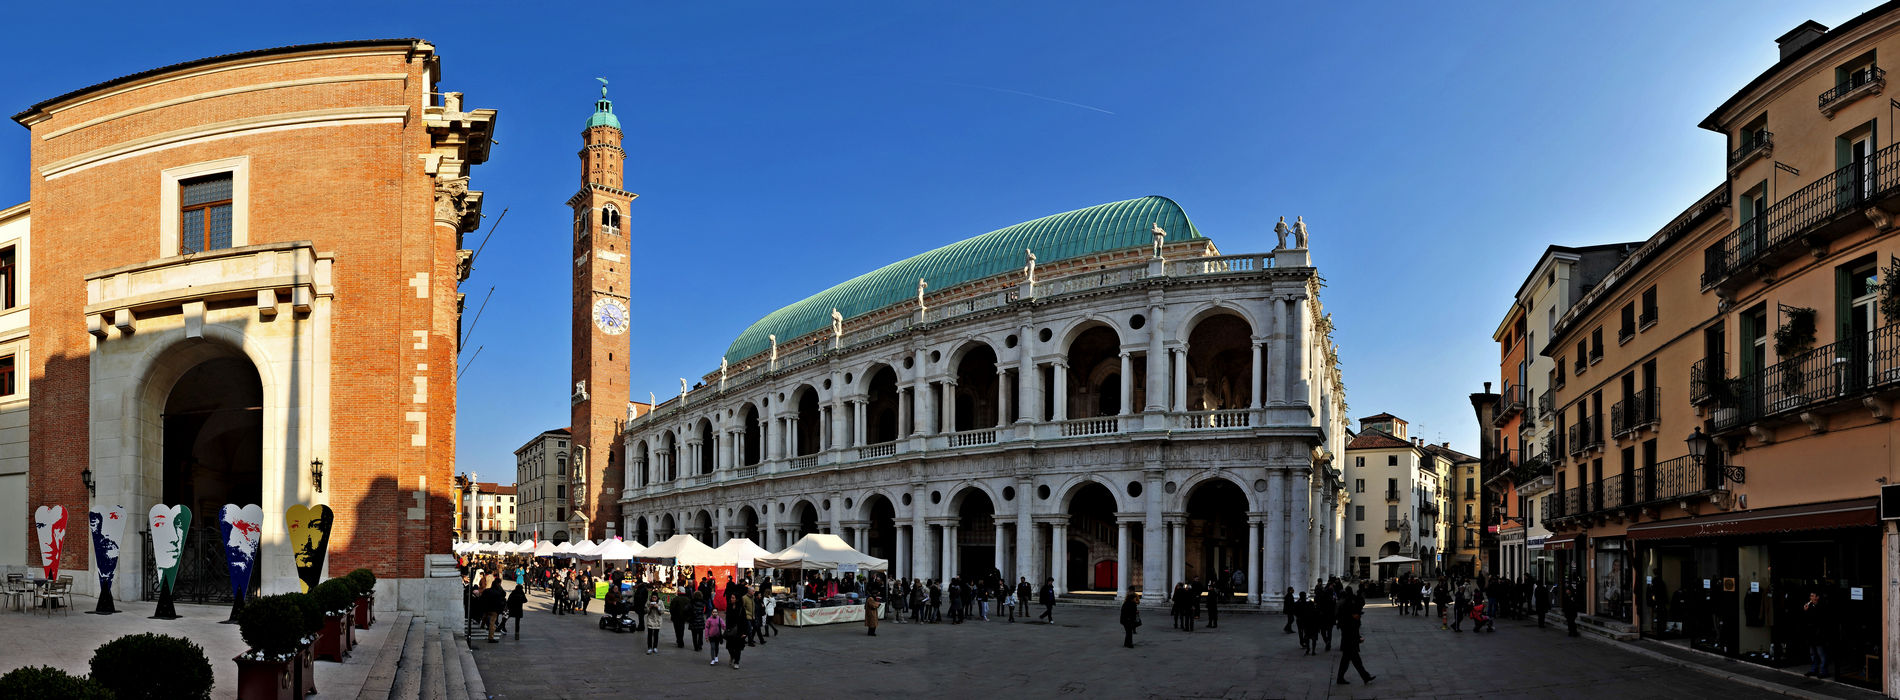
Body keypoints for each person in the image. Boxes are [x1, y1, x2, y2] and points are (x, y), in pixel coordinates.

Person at [1336, 608, 1375, 685]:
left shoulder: (1352, 621)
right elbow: (1350, 635)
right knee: (1355, 662)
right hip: (1349, 646)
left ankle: (1341, 678)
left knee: (1347, 663)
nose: (1359, 616)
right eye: (1358, 615)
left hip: (1349, 645)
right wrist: (1358, 639)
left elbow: (1354, 634)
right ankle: (1365, 677)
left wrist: (1358, 638)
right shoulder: (1349, 622)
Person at [1802, 592, 1829, 677]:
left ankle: (1823, 671)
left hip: (1819, 633)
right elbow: (1807, 620)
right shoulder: (1809, 606)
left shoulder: (1822, 606)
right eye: (1810, 596)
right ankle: (1814, 669)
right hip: (1811, 633)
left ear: (1817, 597)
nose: (1811, 598)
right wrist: (1806, 611)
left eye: (1813, 596)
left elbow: (1821, 620)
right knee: (1813, 653)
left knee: (1821, 653)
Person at [480, 579, 506, 643]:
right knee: (492, 623)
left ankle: (482, 626)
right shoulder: (498, 593)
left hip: (486, 608)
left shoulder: (487, 591)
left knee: (485, 616)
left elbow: (481, 599)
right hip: (494, 610)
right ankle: (491, 638)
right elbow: (503, 596)